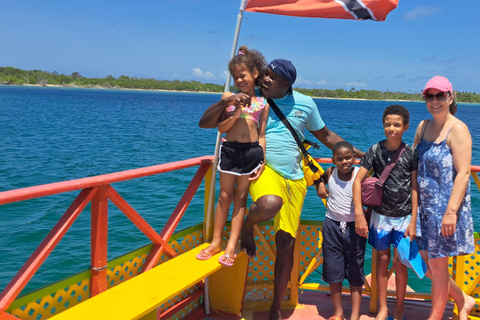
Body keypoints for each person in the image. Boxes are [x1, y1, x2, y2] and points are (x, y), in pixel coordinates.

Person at [200, 57, 364, 320]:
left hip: (296, 178)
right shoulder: (253, 98)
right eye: (263, 75)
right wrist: (230, 96)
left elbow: (327, 136)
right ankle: (243, 225)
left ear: (285, 84)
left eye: (271, 78)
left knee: (286, 242)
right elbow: (217, 117)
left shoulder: (305, 104)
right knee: (268, 204)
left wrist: (363, 154)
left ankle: (276, 303)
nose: (264, 80)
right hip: (264, 170)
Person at [196, 45, 270, 267]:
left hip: (251, 153)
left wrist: (263, 160)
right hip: (230, 151)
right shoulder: (228, 98)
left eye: (243, 76)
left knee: (240, 198)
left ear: (255, 74)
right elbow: (221, 129)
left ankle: (231, 244)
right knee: (224, 197)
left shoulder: (263, 104)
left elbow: (262, 134)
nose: (239, 80)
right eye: (235, 77)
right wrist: (235, 108)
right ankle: (216, 242)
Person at [413, 76, 475, 320]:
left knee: (438, 267)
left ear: (451, 97)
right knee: (420, 260)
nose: (435, 101)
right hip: (423, 210)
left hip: (444, 210)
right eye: (430, 96)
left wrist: (450, 212)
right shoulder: (422, 126)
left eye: (440, 96)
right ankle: (462, 298)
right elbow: (413, 166)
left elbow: (464, 173)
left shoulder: (457, 128)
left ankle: (435, 316)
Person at [353, 105, 418, 320]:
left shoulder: (411, 153)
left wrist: (414, 221)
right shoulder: (374, 150)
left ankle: (398, 309)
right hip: (380, 217)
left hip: (404, 218)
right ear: (383, 126)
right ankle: (383, 308)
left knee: (401, 264)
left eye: (397, 125)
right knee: (381, 261)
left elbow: (415, 188)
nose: (392, 128)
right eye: (388, 124)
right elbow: (357, 181)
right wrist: (360, 215)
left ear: (406, 127)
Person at [315, 141, 365, 320]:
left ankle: (355, 315)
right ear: (333, 160)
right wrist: (320, 185)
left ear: (354, 157)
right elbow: (317, 177)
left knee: (355, 270)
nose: (345, 162)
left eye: (348, 158)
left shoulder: (360, 174)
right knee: (333, 270)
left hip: (355, 228)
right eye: (340, 159)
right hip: (332, 226)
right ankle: (338, 313)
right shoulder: (330, 173)